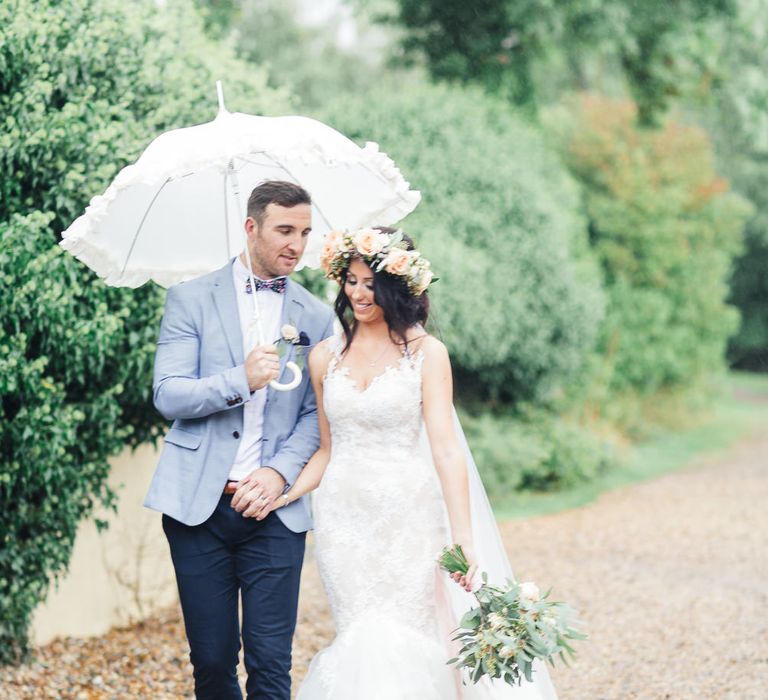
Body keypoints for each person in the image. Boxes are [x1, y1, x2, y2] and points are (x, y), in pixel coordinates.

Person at [252, 227, 559, 699]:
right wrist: (286, 493)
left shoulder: (426, 354)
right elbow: (327, 451)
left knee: (407, 637)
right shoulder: (323, 358)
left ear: (397, 287)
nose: (357, 292)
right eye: (350, 281)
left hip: (409, 517)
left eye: (370, 283)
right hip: (343, 522)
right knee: (358, 631)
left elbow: (446, 450)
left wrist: (463, 539)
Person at [144, 180, 335, 700]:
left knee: (272, 664)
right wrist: (240, 379)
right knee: (210, 661)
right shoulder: (189, 299)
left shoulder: (317, 316)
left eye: (305, 232)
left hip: (274, 512)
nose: (297, 244)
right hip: (197, 510)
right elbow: (170, 394)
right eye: (284, 230)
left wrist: (276, 474)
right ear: (251, 228)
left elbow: (319, 417)